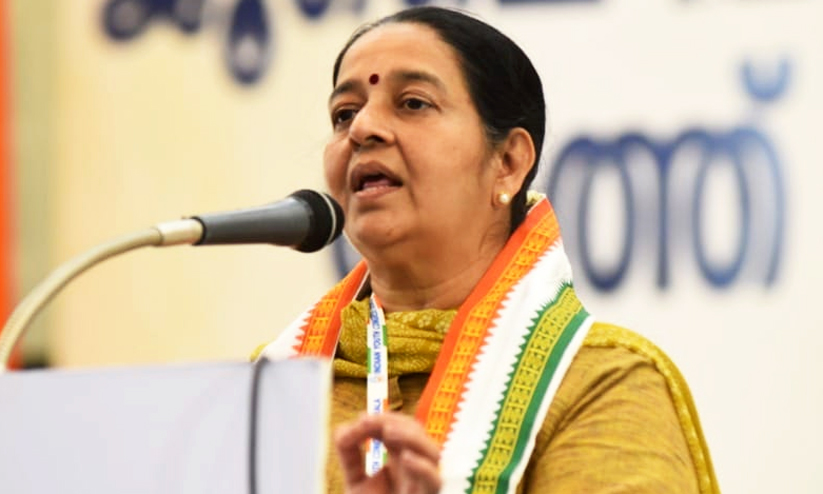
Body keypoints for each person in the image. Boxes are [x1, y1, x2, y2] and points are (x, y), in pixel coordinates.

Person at [254, 6, 720, 494]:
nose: (363, 128)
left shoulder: (603, 384)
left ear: (509, 163)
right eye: (344, 114)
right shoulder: (265, 394)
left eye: (413, 103)